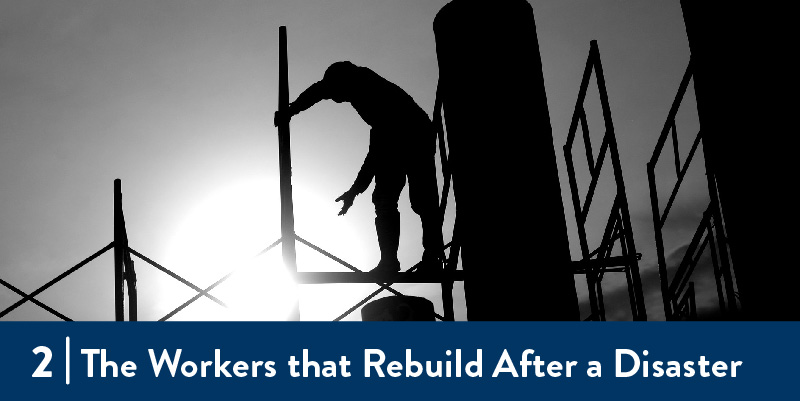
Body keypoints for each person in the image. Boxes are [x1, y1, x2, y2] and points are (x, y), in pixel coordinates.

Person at [274, 61, 443, 274]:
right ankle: (389, 261)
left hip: (415, 134)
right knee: (384, 199)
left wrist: (355, 190)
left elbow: (375, 156)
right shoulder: (347, 83)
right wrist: (291, 110)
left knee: (422, 199)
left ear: (346, 85)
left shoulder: (373, 93)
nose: (335, 99)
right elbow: (318, 91)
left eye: (337, 94)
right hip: (390, 135)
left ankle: (432, 258)